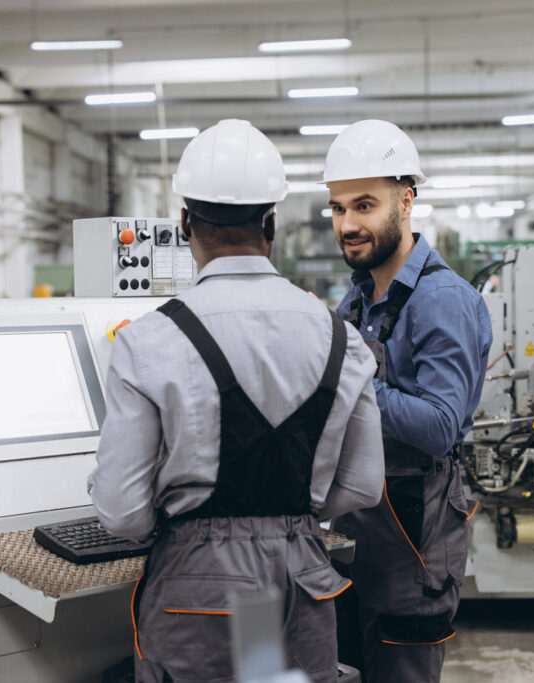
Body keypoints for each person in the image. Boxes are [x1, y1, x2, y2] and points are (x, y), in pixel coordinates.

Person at [88, 119, 385, 683]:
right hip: (299, 580)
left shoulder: (149, 340)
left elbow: (122, 512)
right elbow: (365, 486)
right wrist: (291, 516)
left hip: (198, 589)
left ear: (185, 223)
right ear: (271, 223)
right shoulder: (343, 340)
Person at [323, 119, 493, 683]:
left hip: (413, 538)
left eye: (364, 206)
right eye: (338, 208)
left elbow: (440, 426)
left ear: (406, 200)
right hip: (356, 533)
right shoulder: (357, 299)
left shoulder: (442, 301)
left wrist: (350, 382)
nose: (348, 224)